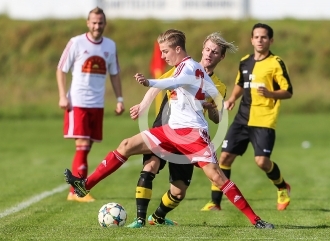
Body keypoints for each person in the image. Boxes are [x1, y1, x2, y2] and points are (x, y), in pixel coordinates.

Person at [64, 29, 274, 229]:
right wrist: (199, 101)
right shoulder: (193, 67)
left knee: (218, 178)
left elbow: (178, 82)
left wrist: (149, 81)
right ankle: (85, 185)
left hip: (192, 134)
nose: (163, 56)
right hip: (170, 130)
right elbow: (194, 87)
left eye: (165, 51)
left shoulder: (188, 67)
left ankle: (256, 220)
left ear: (177, 49)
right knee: (126, 145)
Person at [126, 32, 236, 228]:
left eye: (215, 52)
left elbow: (217, 119)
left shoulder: (218, 86)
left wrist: (217, 110)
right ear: (202, 49)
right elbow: (157, 86)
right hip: (164, 128)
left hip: (189, 136)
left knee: (179, 191)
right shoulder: (183, 67)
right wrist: (143, 105)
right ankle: (139, 220)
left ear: (221, 57)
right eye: (208, 49)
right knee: (150, 167)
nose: (210, 54)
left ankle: (157, 217)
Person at [201, 23, 293, 212]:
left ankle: (282, 187)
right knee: (224, 157)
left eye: (264, 37)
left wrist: (270, 93)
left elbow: (288, 91)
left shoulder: (276, 63)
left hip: (264, 118)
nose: (260, 40)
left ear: (271, 40)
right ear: (251, 40)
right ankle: (215, 202)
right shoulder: (245, 61)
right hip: (242, 118)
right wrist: (233, 98)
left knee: (261, 161)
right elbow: (240, 83)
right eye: (256, 37)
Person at [56, 7, 125, 202]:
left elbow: (115, 73)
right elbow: (61, 69)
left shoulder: (110, 46)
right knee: (83, 145)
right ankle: (75, 192)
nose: (97, 26)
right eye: (93, 22)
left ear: (105, 24)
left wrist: (119, 99)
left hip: (98, 103)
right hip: (77, 101)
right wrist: (63, 95)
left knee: (88, 145)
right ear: (88, 23)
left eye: (100, 22)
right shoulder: (76, 43)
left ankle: (77, 189)